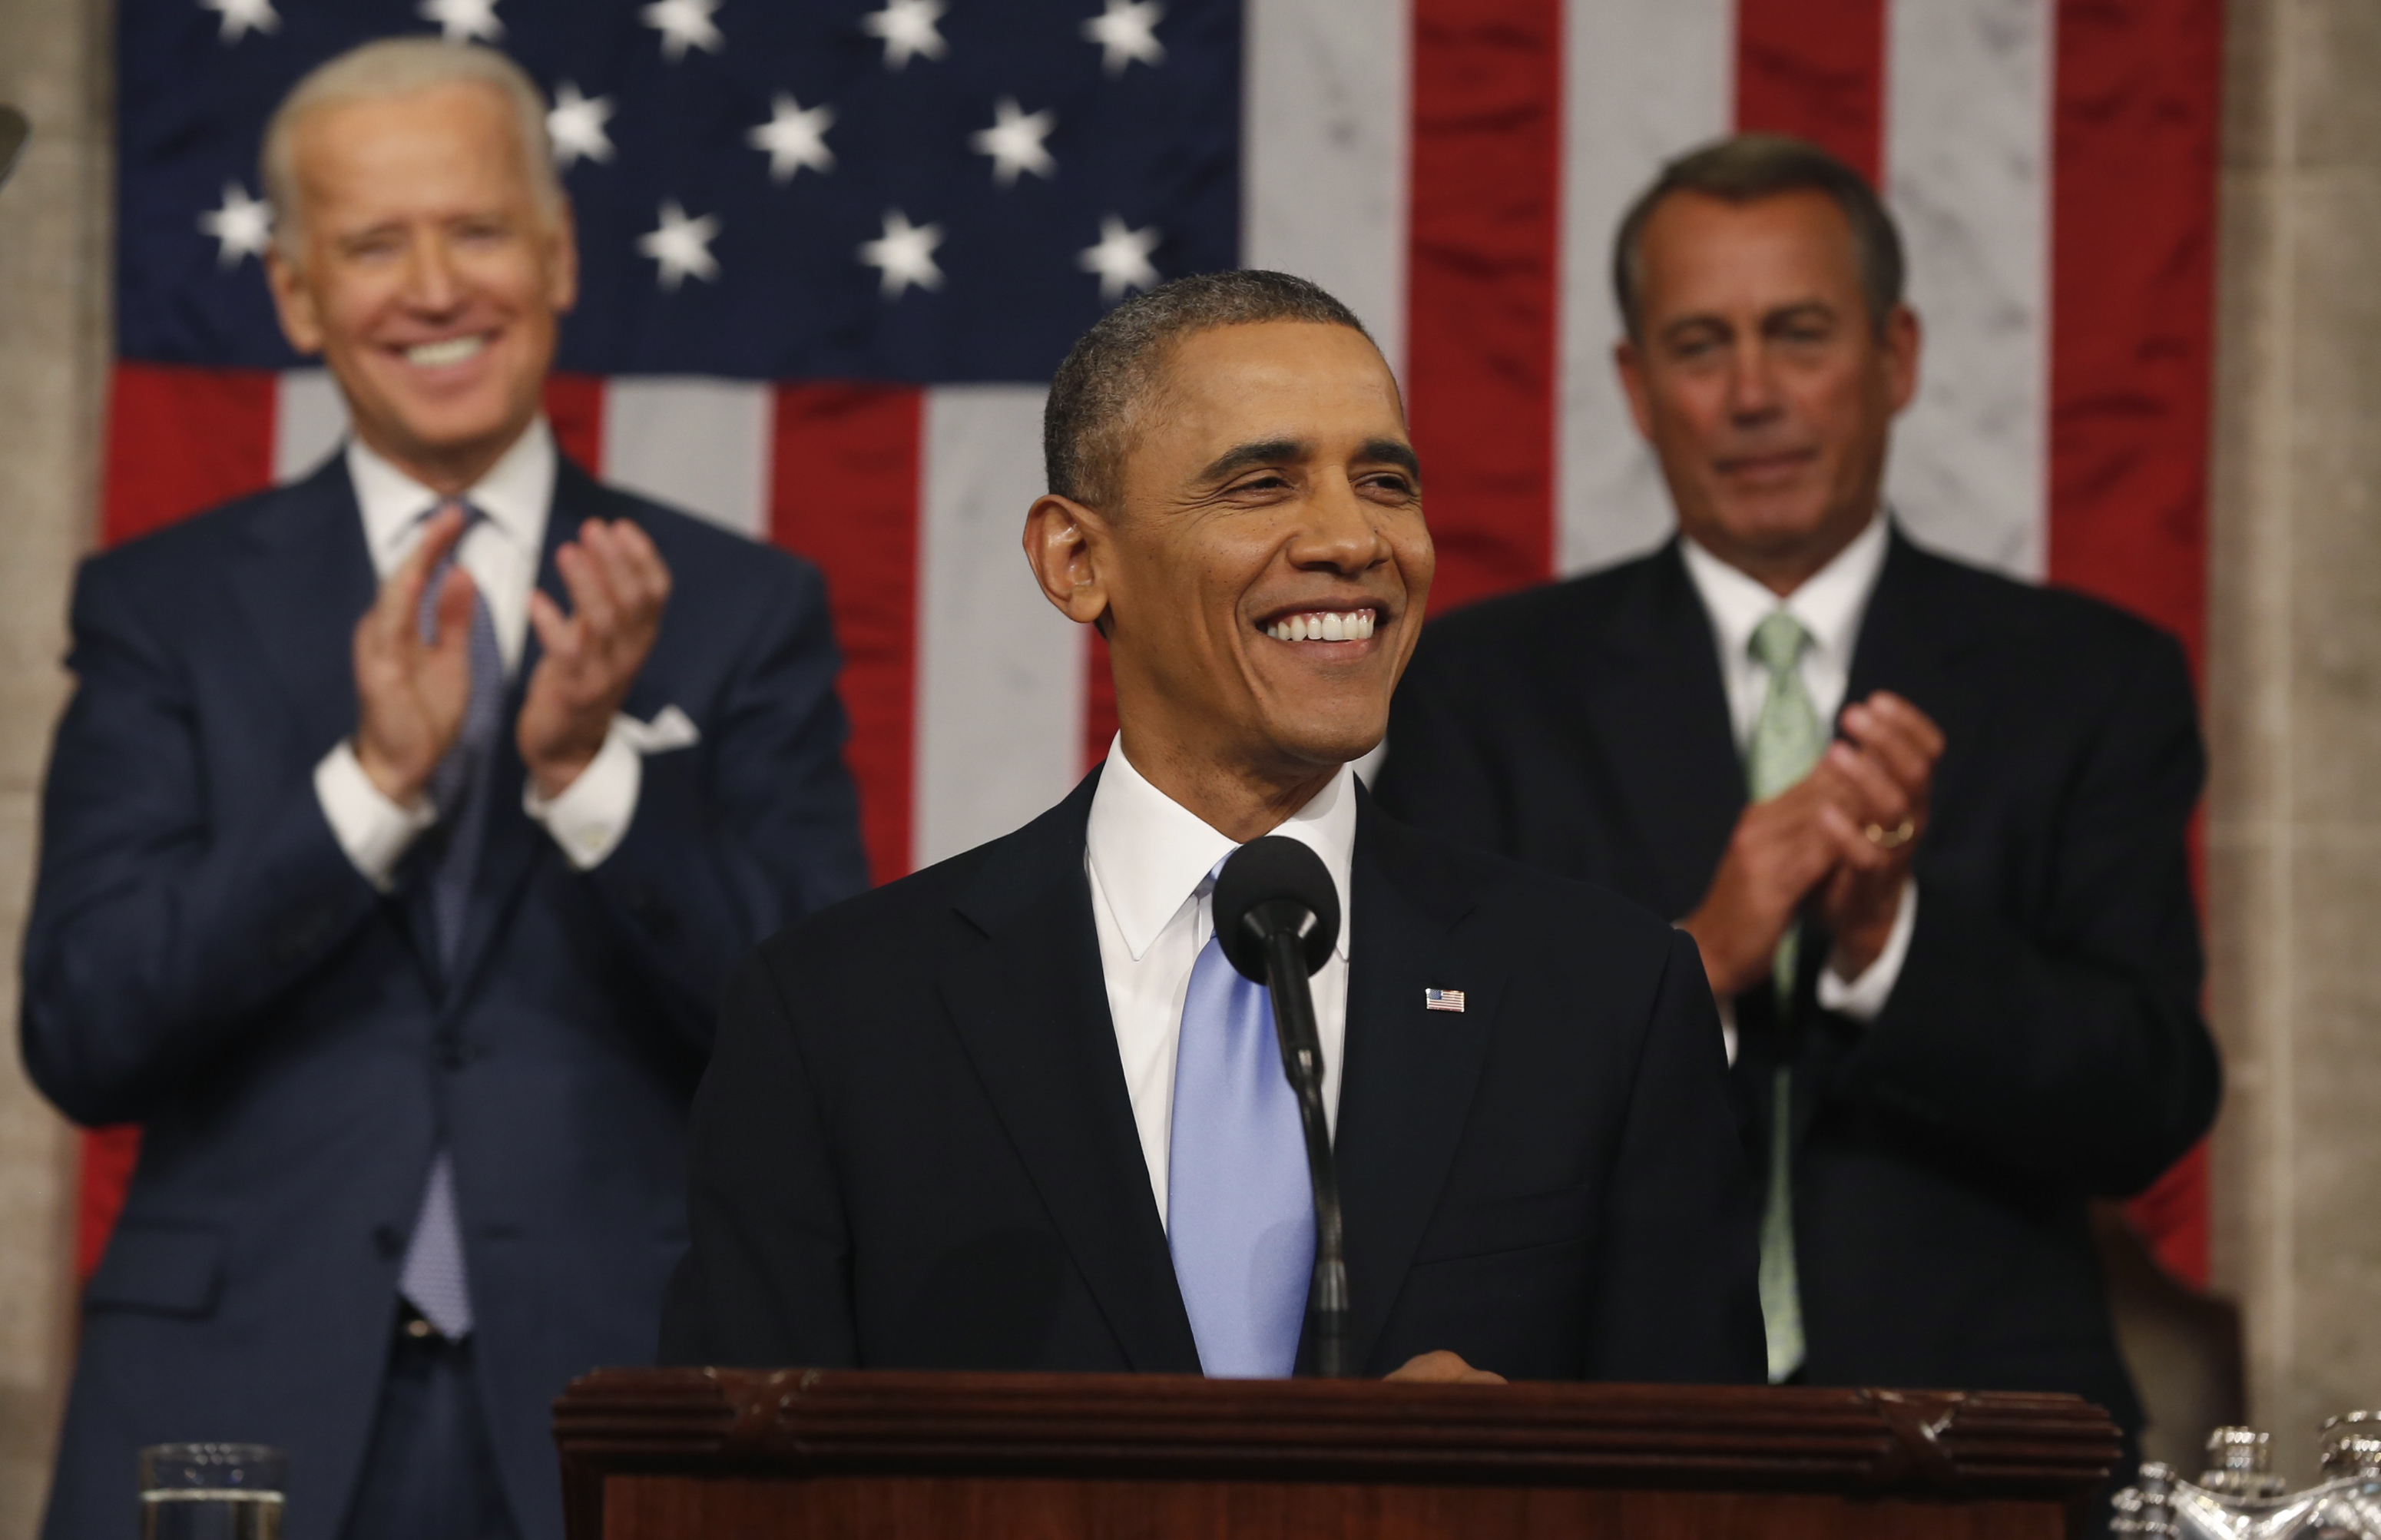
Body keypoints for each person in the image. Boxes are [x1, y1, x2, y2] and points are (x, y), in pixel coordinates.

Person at [24, 40, 868, 1540]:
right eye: (370, 244)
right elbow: (87, 1028)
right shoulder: (163, 606)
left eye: (476, 231)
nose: (431, 290)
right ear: (295, 292)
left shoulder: (741, 605)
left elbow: (826, 1051)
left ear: (555, 258)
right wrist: (368, 789)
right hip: (234, 1407)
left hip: (616, 1396)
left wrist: (590, 773)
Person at [659, 270, 1763, 1385]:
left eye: (1384, 480)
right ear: (1076, 561)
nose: (1352, 538)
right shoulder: (837, 1022)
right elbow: (735, 1491)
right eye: (1263, 484)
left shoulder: (1607, 1002)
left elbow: (1717, 1494)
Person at [1375, 135, 2220, 1449]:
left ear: (1898, 358)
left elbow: (2152, 1103)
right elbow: (1413, 1109)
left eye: (1801, 334)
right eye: (1701, 345)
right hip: (1603, 1448)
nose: (1753, 393)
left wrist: (1893, 946)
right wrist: (1693, 964)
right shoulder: (1482, 691)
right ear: (1638, 387)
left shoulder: (2087, 680)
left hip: (1981, 1454)